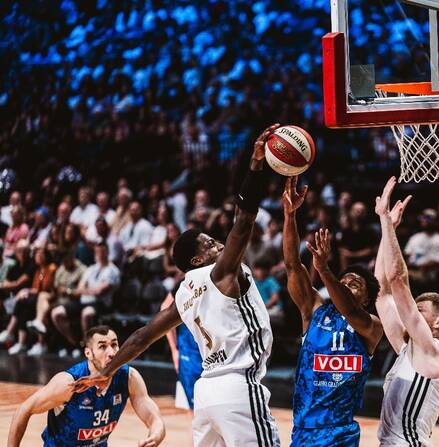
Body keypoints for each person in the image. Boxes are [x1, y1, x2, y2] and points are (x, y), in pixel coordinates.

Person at [70, 124, 282, 447]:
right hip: (239, 386)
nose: (218, 245)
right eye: (210, 244)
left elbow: (142, 336)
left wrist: (106, 370)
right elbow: (244, 220)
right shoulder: (222, 272)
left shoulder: (183, 293)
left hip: (206, 392)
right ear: (197, 260)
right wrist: (256, 166)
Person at [282, 176, 383, 447]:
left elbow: (348, 309)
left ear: (367, 299)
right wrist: (289, 216)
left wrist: (325, 270)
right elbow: (292, 265)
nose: (346, 284)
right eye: (344, 280)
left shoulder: (372, 325)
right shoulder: (314, 310)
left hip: (340, 431)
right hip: (304, 429)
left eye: (355, 284)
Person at [374, 176, 439, 446]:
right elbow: (382, 291)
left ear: (438, 322)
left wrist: (385, 221)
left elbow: (397, 280)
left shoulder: (431, 349)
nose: (410, 312)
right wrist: (388, 229)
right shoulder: (406, 349)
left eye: (419, 310)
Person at [7, 325, 165, 447]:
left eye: (114, 345)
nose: (111, 352)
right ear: (88, 353)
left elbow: (155, 419)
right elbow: (23, 410)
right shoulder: (69, 383)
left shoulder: (129, 377)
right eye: (102, 346)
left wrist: (155, 437)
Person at [161, 289, 202, 447]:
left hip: (212, 356)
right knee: (196, 416)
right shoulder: (187, 282)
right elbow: (165, 308)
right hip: (191, 356)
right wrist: (174, 349)